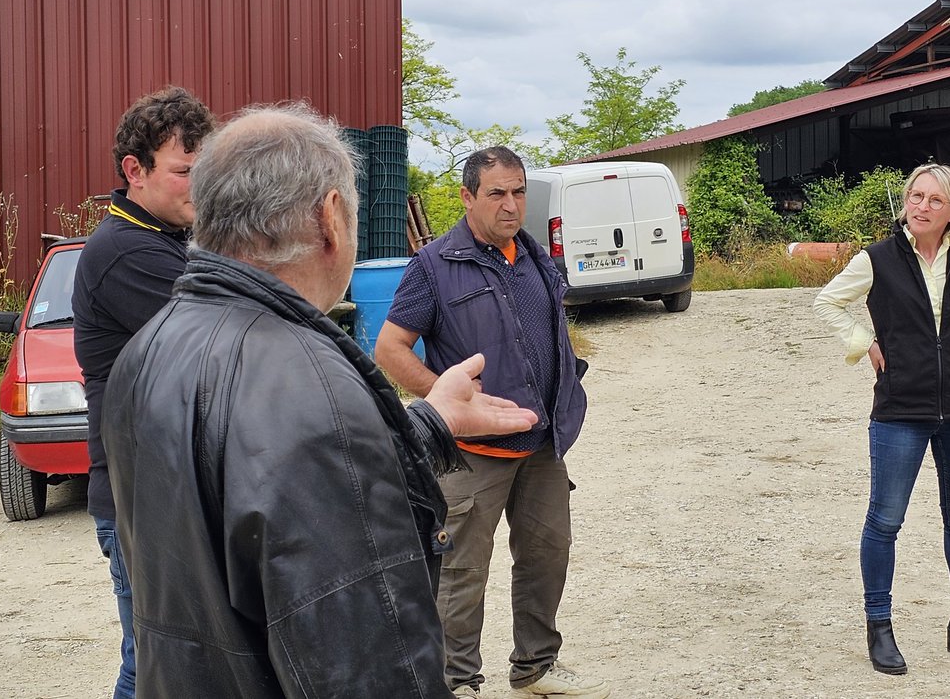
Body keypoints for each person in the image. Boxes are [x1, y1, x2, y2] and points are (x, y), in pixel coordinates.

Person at [101, 104, 539, 697]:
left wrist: (433, 422)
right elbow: (362, 657)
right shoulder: (311, 384)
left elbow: (251, 494)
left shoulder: (149, 350)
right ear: (330, 217)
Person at [376, 147, 608, 699]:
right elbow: (390, 348)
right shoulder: (434, 267)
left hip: (542, 445)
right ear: (467, 197)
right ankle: (457, 683)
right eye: (497, 193)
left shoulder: (535, 258)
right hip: (471, 454)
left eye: (519, 191)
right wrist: (447, 401)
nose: (511, 205)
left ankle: (537, 667)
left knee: (548, 555)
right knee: (460, 574)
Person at [813, 163, 950, 675]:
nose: (920, 206)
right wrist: (864, 343)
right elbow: (829, 302)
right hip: (901, 409)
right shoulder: (878, 258)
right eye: (915, 196)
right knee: (885, 521)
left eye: (933, 200)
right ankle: (879, 626)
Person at [72, 85, 216, 698]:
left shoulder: (169, 242)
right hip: (142, 500)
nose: (199, 187)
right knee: (153, 665)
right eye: (185, 172)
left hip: (169, 492)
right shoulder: (126, 251)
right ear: (135, 171)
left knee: (185, 663)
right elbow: (227, 329)